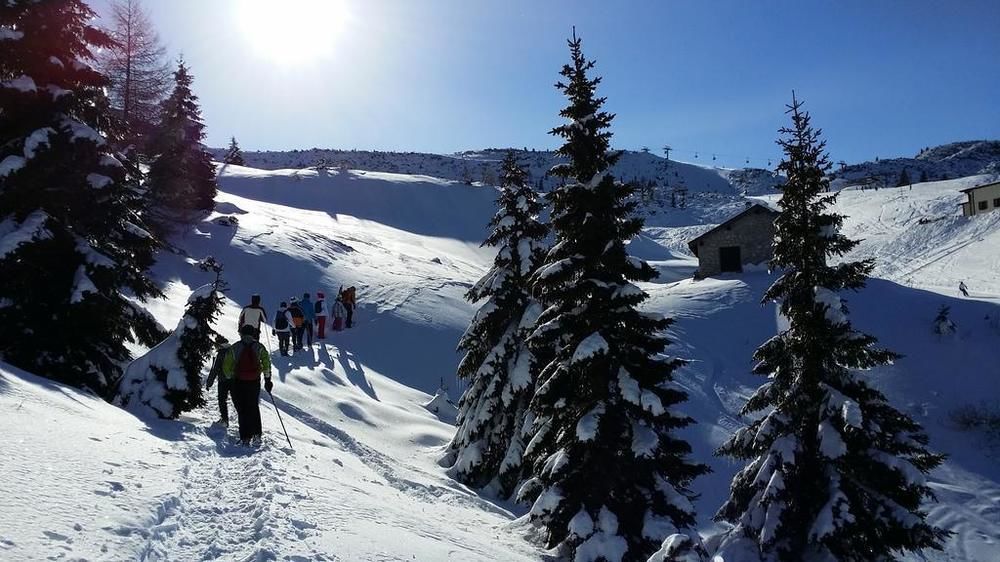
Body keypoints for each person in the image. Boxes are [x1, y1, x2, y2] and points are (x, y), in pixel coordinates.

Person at [222, 325, 274, 444]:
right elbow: (266, 363)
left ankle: (245, 436)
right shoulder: (259, 347)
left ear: (241, 334)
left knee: (242, 408)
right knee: (253, 406)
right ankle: (257, 433)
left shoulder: (235, 347)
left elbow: (227, 366)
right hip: (254, 381)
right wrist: (267, 380)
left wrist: (231, 377)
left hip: (239, 381)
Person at [205, 340, 233, 426]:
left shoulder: (220, 354)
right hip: (234, 380)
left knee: (222, 400)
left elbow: (214, 369)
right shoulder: (233, 352)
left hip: (223, 380)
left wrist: (209, 383)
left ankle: (224, 419)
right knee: (236, 401)